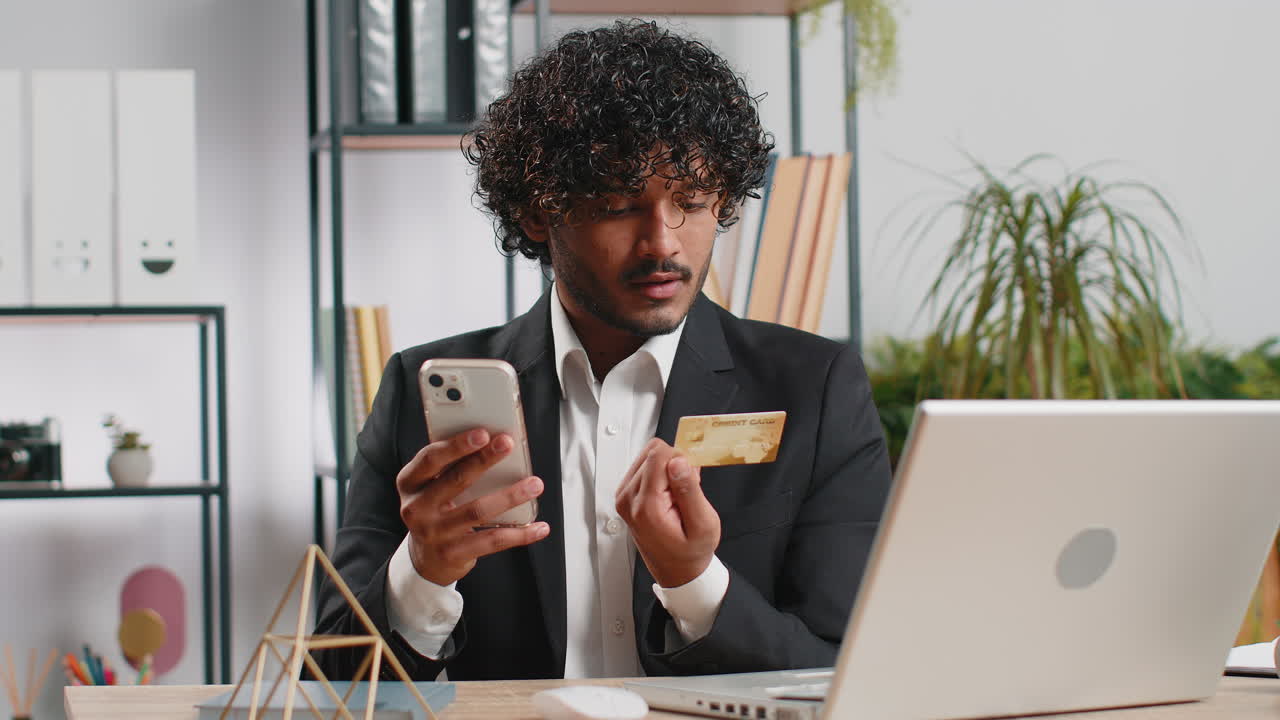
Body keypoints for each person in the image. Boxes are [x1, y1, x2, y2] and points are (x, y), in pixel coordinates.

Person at [314, 18, 891, 681]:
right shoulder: (420, 391)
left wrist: (695, 584)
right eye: (620, 205)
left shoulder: (815, 389)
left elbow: (847, 675)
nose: (663, 243)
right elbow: (329, 682)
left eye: (694, 202)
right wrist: (423, 574)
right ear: (538, 211)